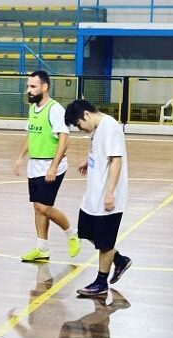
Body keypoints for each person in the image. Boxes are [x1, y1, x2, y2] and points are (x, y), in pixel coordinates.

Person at [64, 99, 132, 296]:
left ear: (86, 114)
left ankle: (101, 283)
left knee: (105, 242)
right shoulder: (97, 128)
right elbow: (104, 152)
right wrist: (89, 160)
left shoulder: (110, 127)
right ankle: (119, 260)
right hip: (93, 195)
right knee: (88, 232)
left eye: (78, 125)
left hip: (107, 197)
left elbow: (116, 160)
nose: (80, 129)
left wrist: (110, 193)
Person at [13, 70, 81, 262]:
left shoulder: (55, 109)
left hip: (51, 166)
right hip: (34, 165)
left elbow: (64, 139)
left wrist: (53, 166)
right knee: (38, 207)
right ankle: (42, 248)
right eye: (28, 86)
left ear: (45, 87)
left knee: (44, 207)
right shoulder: (33, 109)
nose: (29, 90)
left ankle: (72, 233)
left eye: (33, 86)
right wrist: (20, 156)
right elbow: (31, 135)